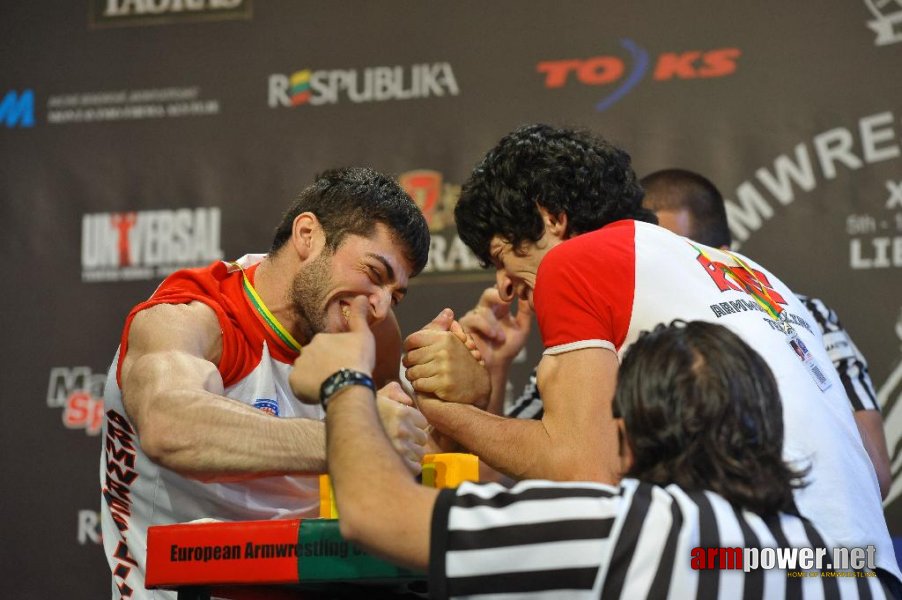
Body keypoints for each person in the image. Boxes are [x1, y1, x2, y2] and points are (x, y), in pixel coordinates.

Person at [401, 124, 899, 578]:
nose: (505, 285)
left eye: (501, 257)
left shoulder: (576, 261)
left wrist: (443, 406)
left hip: (759, 567)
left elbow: (584, 473)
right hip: (862, 568)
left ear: (550, 218)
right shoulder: (749, 271)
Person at [292, 302, 898, 598]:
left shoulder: (630, 530)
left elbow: (377, 514)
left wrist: (345, 381)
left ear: (625, 438)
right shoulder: (836, 559)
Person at [99, 167, 432, 599]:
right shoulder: (192, 316)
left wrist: (463, 388)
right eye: (373, 271)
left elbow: (412, 454)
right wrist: (351, 436)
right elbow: (168, 425)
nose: (381, 304)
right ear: (308, 235)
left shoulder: (370, 331)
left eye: (396, 293)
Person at [469, 167, 891, 497]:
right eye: (647, 251)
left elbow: (869, 474)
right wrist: (494, 370)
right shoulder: (606, 320)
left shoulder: (802, 314)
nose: (658, 264)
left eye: (674, 252)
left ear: (720, 258)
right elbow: (499, 473)